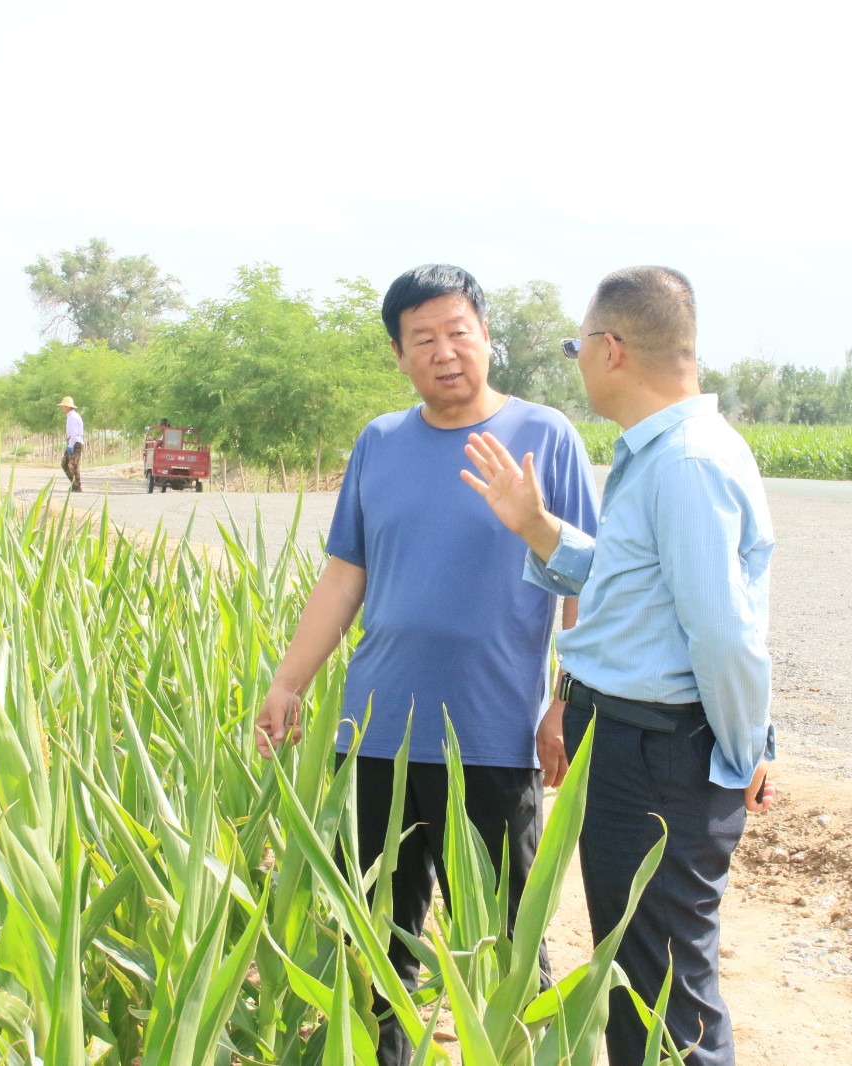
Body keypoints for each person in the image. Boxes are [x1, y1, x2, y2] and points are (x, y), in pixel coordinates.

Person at [254, 264, 598, 1066]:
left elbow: (586, 576)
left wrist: (564, 699)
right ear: (399, 355)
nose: (446, 352)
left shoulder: (545, 437)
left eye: (459, 333)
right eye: (424, 339)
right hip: (377, 734)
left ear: (486, 337)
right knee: (377, 941)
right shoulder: (380, 442)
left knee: (507, 943)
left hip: (493, 737)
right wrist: (288, 681)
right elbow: (346, 574)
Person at [460, 266, 776, 1066]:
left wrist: (742, 753)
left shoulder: (685, 463)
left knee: (663, 994)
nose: (578, 361)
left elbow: (723, 634)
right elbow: (636, 590)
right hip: (638, 744)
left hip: (662, 755)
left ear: (610, 349)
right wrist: (538, 530)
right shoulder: (661, 452)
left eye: (576, 345)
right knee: (640, 979)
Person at [59, 396, 84, 492]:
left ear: (67, 407)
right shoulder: (71, 416)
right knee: (65, 464)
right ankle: (74, 484)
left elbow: (73, 433)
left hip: (75, 442)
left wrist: (70, 445)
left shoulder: (72, 417)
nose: (63, 408)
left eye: (64, 406)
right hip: (72, 441)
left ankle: (77, 486)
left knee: (73, 465)